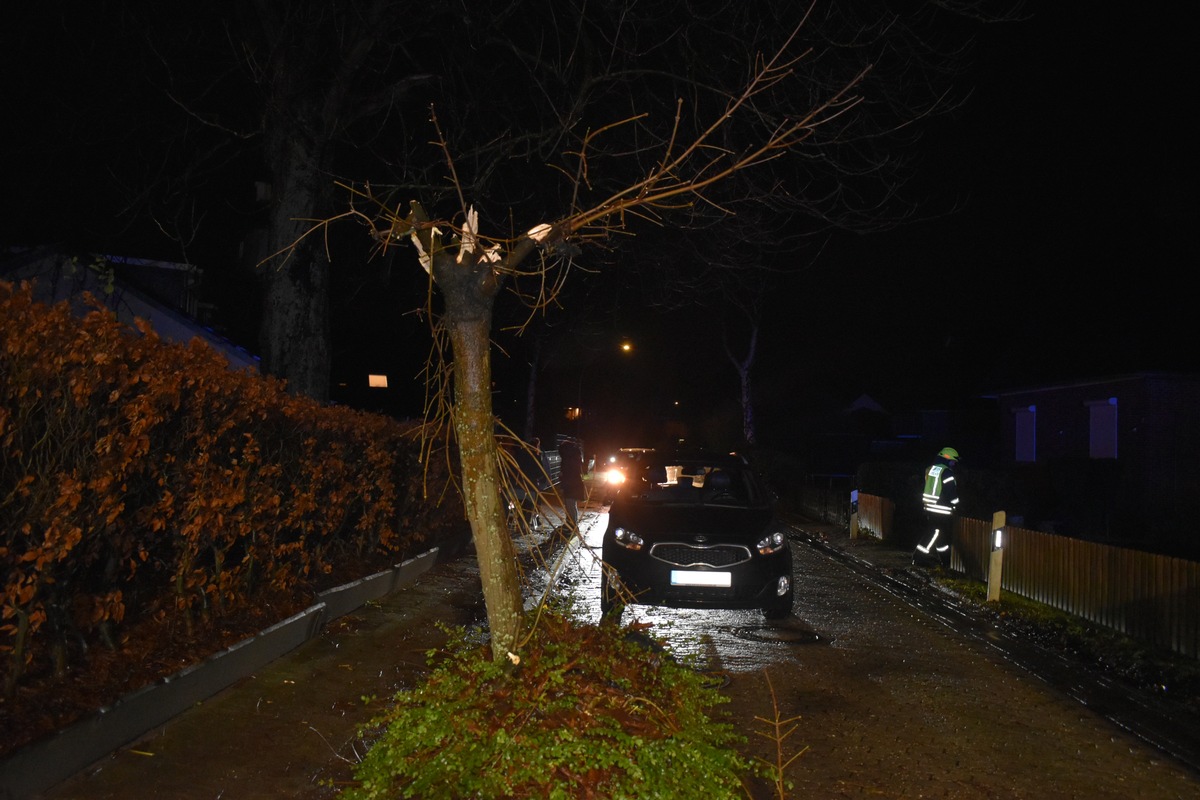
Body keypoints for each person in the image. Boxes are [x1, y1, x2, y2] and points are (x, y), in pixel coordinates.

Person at [914, 446, 960, 566]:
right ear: (947, 459)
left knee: (941, 536)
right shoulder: (947, 472)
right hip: (942, 509)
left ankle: (945, 562)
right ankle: (918, 558)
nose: (954, 464)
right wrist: (957, 505)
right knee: (934, 533)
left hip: (929, 507)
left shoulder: (931, 469)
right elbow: (951, 491)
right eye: (953, 461)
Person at [557, 439, 585, 532]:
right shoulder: (574, 457)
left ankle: (572, 524)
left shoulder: (569, 459)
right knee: (571, 505)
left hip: (570, 486)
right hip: (573, 485)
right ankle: (571, 523)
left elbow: (568, 473)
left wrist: (562, 476)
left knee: (570, 505)